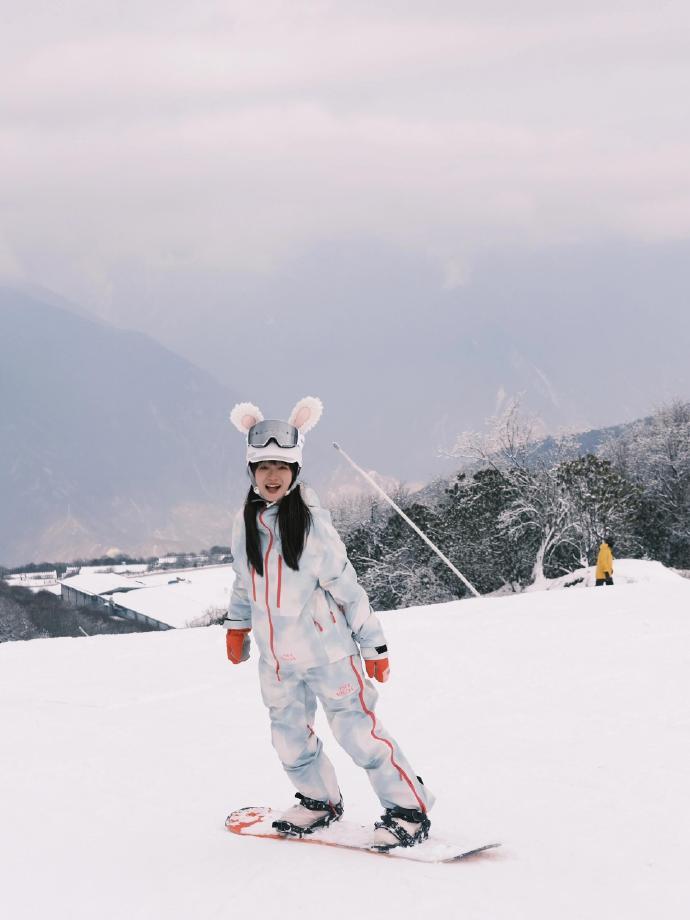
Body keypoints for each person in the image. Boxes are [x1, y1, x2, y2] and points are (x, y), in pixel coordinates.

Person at [224, 396, 434, 850]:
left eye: (281, 466)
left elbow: (347, 589)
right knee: (288, 737)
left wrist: (373, 645)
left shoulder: (313, 526)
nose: (272, 476)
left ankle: (409, 809)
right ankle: (319, 800)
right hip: (277, 660)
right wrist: (237, 626)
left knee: (359, 732)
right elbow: (244, 582)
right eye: (263, 467)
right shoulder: (245, 526)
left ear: (296, 470)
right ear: (251, 472)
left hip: (328, 654)